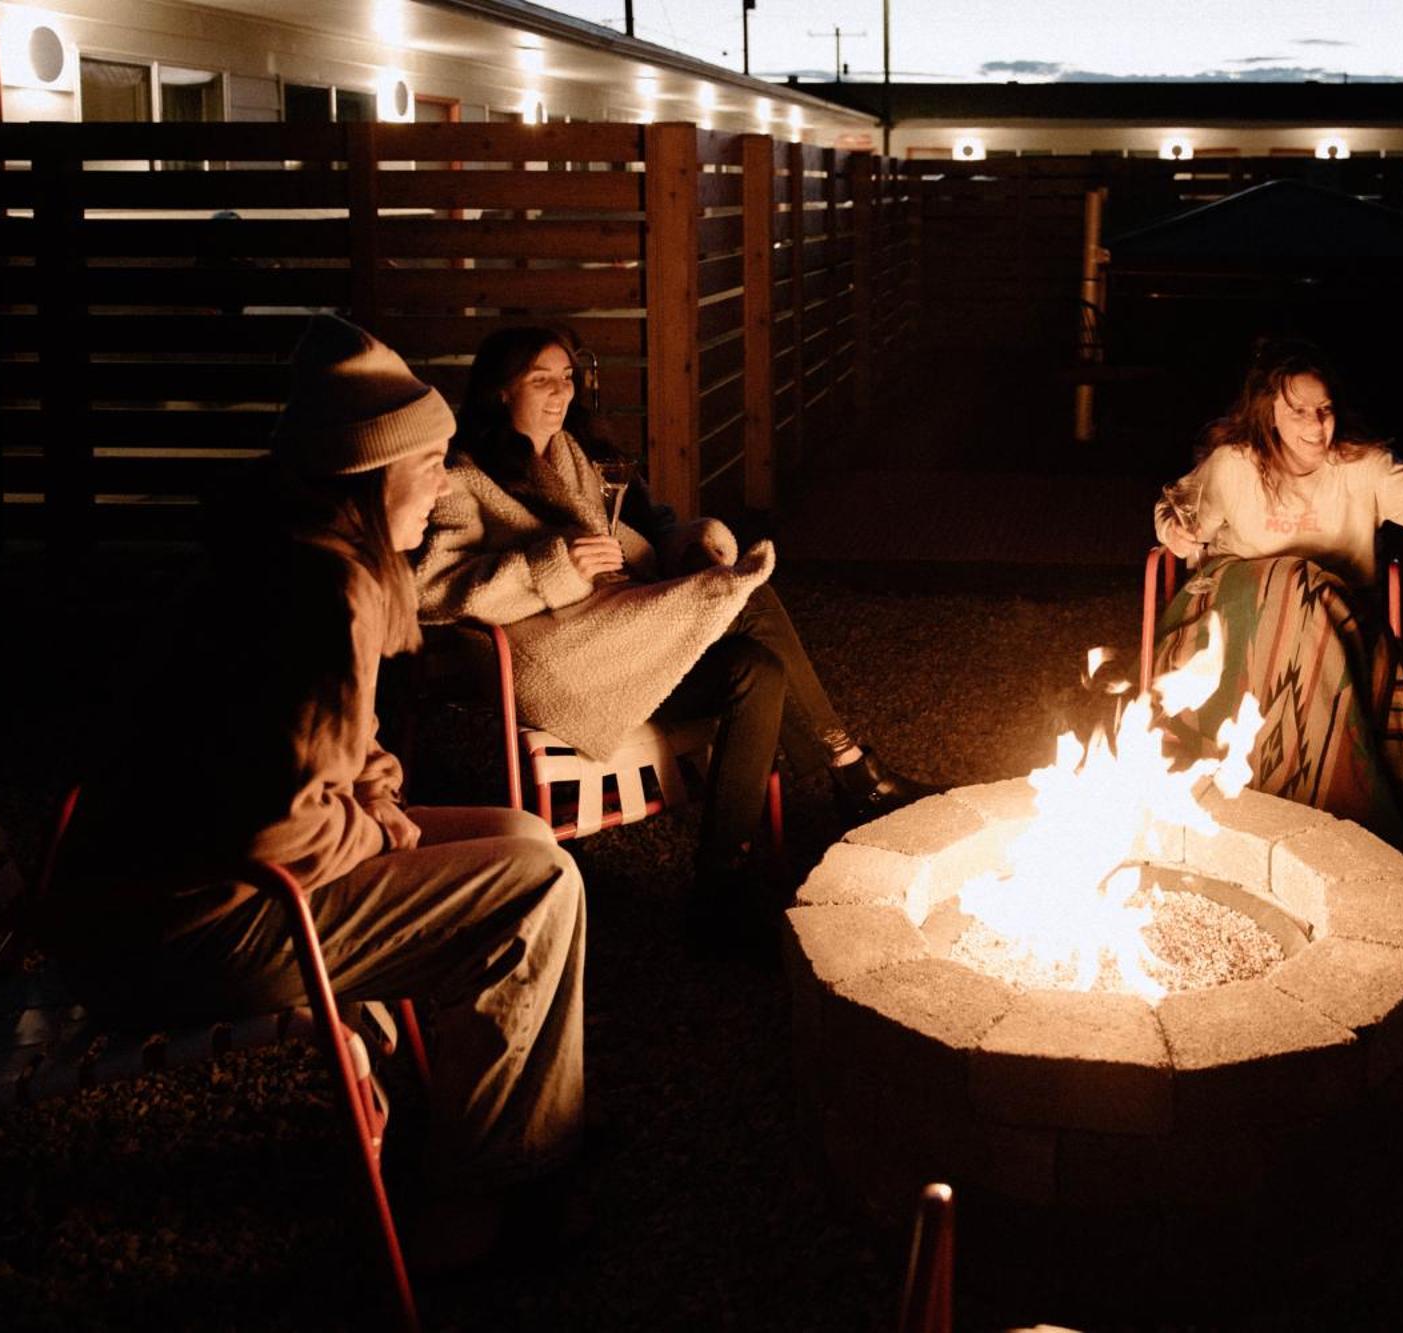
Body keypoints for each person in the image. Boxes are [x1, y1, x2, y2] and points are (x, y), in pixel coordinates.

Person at [49, 315, 588, 1267]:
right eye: (428, 464)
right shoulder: (316, 592)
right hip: (190, 926)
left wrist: (379, 804)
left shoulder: (308, 560)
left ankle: (498, 1127)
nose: (442, 482)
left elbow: (350, 745)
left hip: (184, 891)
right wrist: (383, 835)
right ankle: (485, 1200)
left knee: (519, 833)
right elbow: (280, 824)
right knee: (537, 887)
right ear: (368, 471)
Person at [412, 326, 935, 924]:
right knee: (747, 600)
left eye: (565, 377)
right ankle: (851, 774)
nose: (559, 393)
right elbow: (432, 590)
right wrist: (550, 567)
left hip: (620, 635)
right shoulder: (464, 476)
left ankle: (722, 885)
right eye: (540, 380)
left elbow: (649, 527)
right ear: (500, 391)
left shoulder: (578, 454)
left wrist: (688, 547)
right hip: (562, 660)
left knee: (754, 668)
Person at [1151, 340, 1403, 845]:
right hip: (1233, 619)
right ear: (1271, 411)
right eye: (1299, 412)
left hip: (1333, 623)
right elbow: (1176, 511)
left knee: (1306, 591)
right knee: (1292, 580)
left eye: (1324, 410)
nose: (1316, 426)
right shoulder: (1235, 466)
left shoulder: (1362, 468)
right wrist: (1175, 534)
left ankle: (1329, 813)